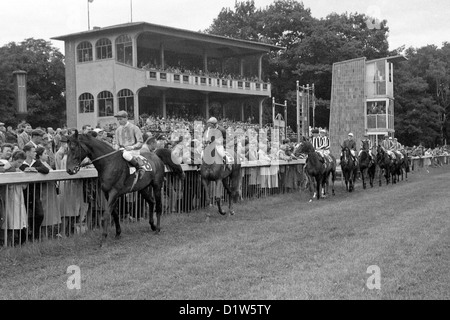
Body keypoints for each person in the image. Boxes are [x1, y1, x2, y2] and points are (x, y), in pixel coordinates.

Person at [20, 144, 50, 240]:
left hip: (35, 192)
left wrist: (34, 169)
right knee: (23, 216)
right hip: (23, 193)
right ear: (27, 152)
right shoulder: (22, 163)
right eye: (33, 151)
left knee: (40, 214)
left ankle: (35, 233)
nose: (35, 153)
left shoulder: (36, 162)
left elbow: (46, 170)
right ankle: (24, 238)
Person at [0, 151, 28, 246]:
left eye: (21, 162)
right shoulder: (7, 167)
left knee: (17, 222)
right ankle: (7, 244)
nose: (20, 164)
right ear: (14, 159)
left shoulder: (19, 170)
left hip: (18, 198)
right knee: (9, 222)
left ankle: (13, 243)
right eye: (19, 162)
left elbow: (24, 186)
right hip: (9, 198)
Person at [113, 110, 145, 178]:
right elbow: (116, 142)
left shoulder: (135, 128)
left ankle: (139, 168)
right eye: (118, 120)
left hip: (133, 150)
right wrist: (116, 147)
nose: (119, 121)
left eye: (120, 119)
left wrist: (132, 147)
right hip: (122, 149)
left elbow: (140, 142)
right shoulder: (118, 130)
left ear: (126, 118)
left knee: (125, 155)